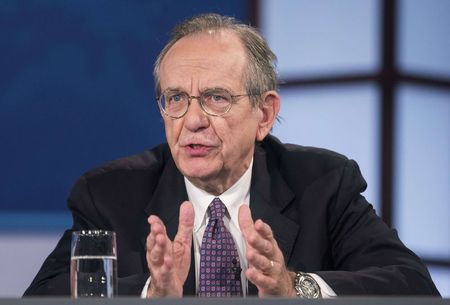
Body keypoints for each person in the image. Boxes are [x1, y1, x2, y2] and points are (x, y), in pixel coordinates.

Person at [24, 13, 440, 298]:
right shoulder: (110, 193)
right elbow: (44, 297)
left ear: (264, 113)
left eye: (216, 98)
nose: (192, 121)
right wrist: (151, 293)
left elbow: (412, 286)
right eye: (175, 99)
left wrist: (292, 288)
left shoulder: (323, 182)